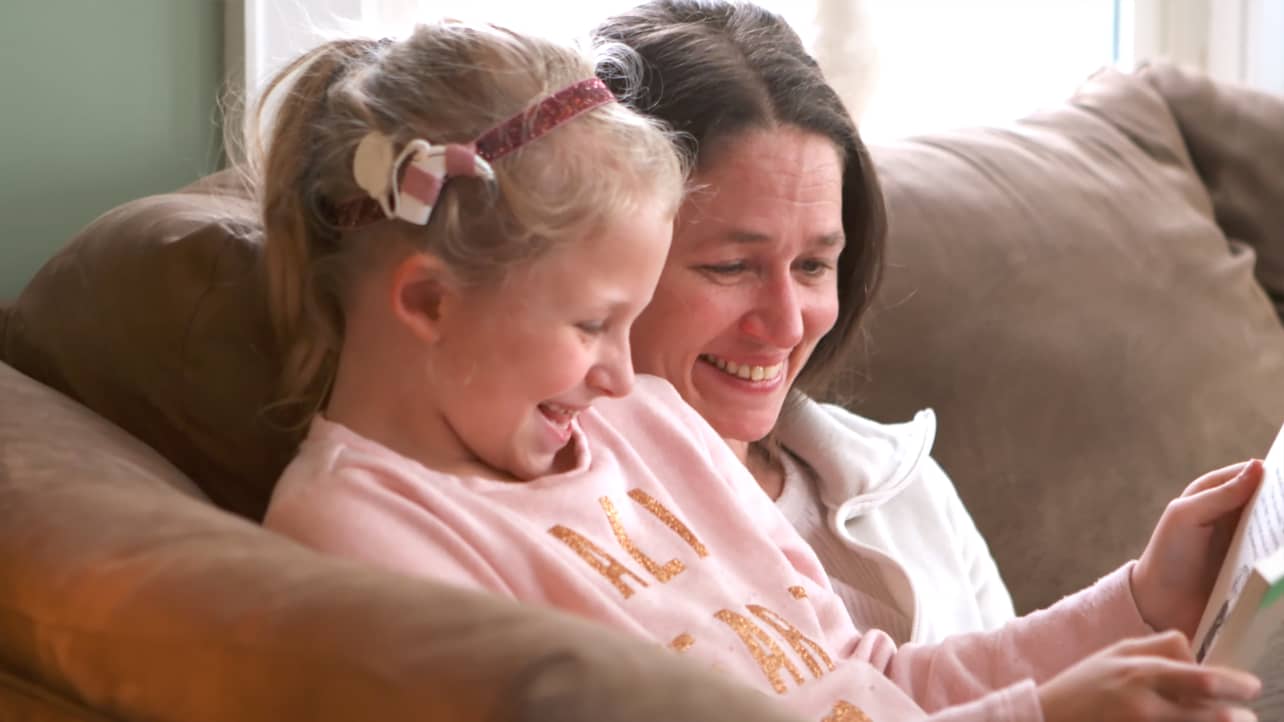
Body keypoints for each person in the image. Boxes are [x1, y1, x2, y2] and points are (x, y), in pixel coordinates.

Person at [255, 19, 1262, 722]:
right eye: (596, 322)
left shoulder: (646, 426)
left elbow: (872, 680)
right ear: (428, 301)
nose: (619, 376)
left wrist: (1139, 596)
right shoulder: (361, 536)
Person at [593, 0, 1012, 643]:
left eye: (814, 265)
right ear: (595, 264)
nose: (787, 326)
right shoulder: (554, 531)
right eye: (732, 266)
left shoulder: (907, 486)